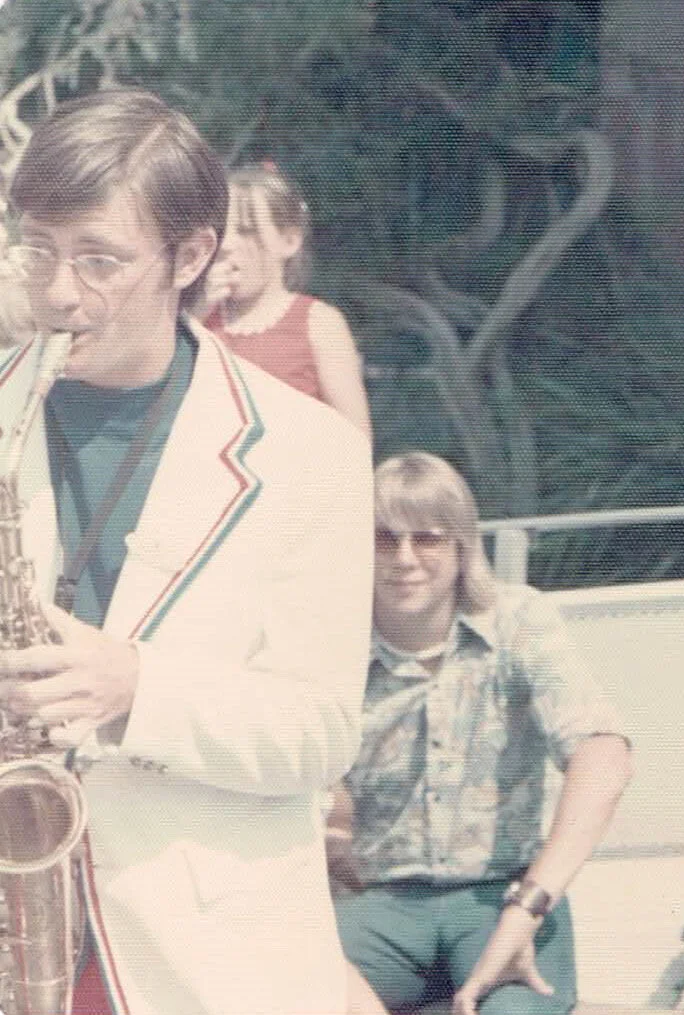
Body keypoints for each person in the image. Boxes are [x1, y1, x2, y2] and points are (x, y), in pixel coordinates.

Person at [0, 88, 373, 1014]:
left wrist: (137, 688)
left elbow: (319, 731)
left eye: (99, 260)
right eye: (37, 248)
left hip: (200, 961)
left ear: (192, 254)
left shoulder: (309, 451)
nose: (55, 292)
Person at [328, 451, 632, 1015]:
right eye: (384, 539)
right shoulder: (330, 642)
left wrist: (529, 907)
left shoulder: (520, 622)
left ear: (463, 547)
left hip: (503, 896)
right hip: (378, 904)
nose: (405, 559)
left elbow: (603, 756)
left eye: (428, 539)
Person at [203, 163, 372, 435]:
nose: (226, 245)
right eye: (221, 232)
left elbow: (355, 439)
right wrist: (192, 319)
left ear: (289, 242)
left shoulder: (319, 324)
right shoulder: (195, 322)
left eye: (247, 231)